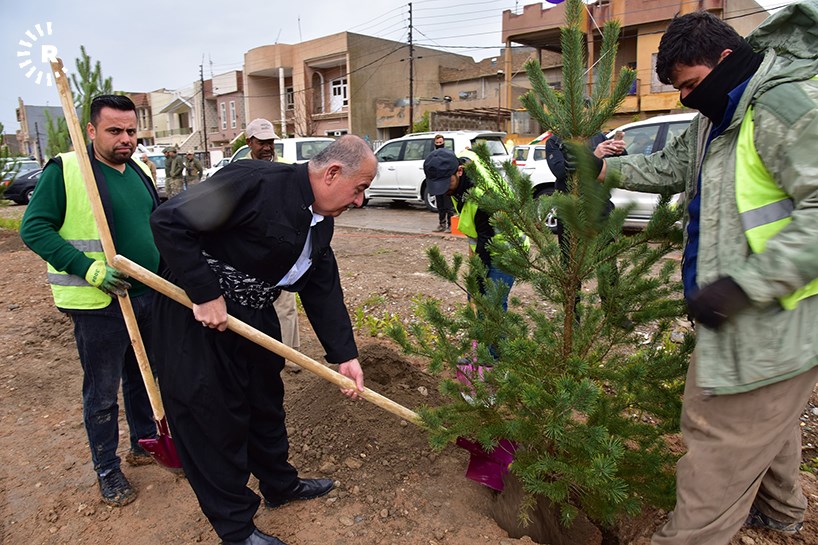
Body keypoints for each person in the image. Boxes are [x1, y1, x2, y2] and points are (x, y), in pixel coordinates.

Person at [591, 5, 818, 543]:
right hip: (744, 316)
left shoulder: (780, 107)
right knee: (767, 417)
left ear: (724, 59)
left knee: (715, 437)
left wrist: (746, 286)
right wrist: (599, 167)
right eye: (680, 90)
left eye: (692, 84)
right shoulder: (714, 116)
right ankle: (781, 513)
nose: (688, 97)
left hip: (772, 317)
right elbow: (671, 167)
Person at [149, 135, 376, 545]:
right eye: (359, 189)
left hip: (254, 315)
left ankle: (279, 484)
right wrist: (204, 292)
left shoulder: (320, 222)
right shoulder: (253, 181)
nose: (360, 200)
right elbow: (170, 221)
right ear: (332, 173)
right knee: (213, 420)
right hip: (197, 318)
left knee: (264, 404)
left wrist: (345, 355)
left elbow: (322, 286)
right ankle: (237, 529)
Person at [19, 94, 162, 507]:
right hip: (98, 302)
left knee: (143, 378)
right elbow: (35, 229)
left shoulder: (137, 170)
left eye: (132, 131)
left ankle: (143, 443)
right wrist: (88, 268)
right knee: (102, 391)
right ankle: (107, 469)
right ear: (91, 130)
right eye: (115, 130)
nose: (126, 139)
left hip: (144, 294)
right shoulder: (66, 170)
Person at [546, 132, 629, 326]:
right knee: (571, 267)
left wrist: (619, 150)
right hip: (571, 214)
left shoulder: (599, 136)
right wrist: (595, 155)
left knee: (608, 263)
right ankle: (572, 317)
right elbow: (560, 170)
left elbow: (623, 164)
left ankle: (612, 312)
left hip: (600, 209)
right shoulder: (556, 141)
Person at [244, 118, 301, 372]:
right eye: (261, 142)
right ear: (249, 142)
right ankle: (258, 354)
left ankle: (289, 357)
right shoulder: (239, 170)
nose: (267, 147)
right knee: (250, 303)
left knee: (285, 304)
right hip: (248, 250)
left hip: (282, 247)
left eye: (270, 142)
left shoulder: (287, 170)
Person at [431, 135, 455, 231]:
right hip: (437, 183)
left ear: (444, 143)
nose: (439, 144)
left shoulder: (449, 155)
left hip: (447, 183)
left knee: (448, 205)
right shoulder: (433, 155)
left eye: (440, 143)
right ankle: (441, 224)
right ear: (434, 144)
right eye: (437, 143)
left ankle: (450, 225)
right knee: (440, 205)